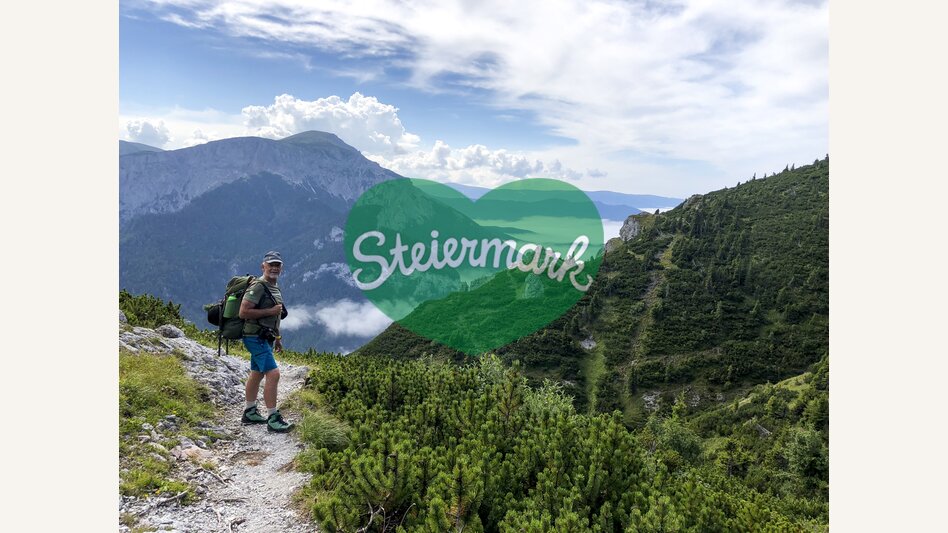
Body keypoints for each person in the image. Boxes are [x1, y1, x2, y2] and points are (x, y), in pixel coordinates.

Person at [238, 251, 294, 433]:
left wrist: (277, 339)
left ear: (281, 267)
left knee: (257, 373)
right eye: (271, 265)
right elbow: (243, 312)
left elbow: (276, 317)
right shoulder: (258, 286)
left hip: (265, 336)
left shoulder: (274, 287)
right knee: (273, 373)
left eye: (277, 265)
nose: (274, 268)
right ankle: (273, 418)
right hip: (255, 337)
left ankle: (249, 412)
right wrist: (270, 311)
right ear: (263, 266)